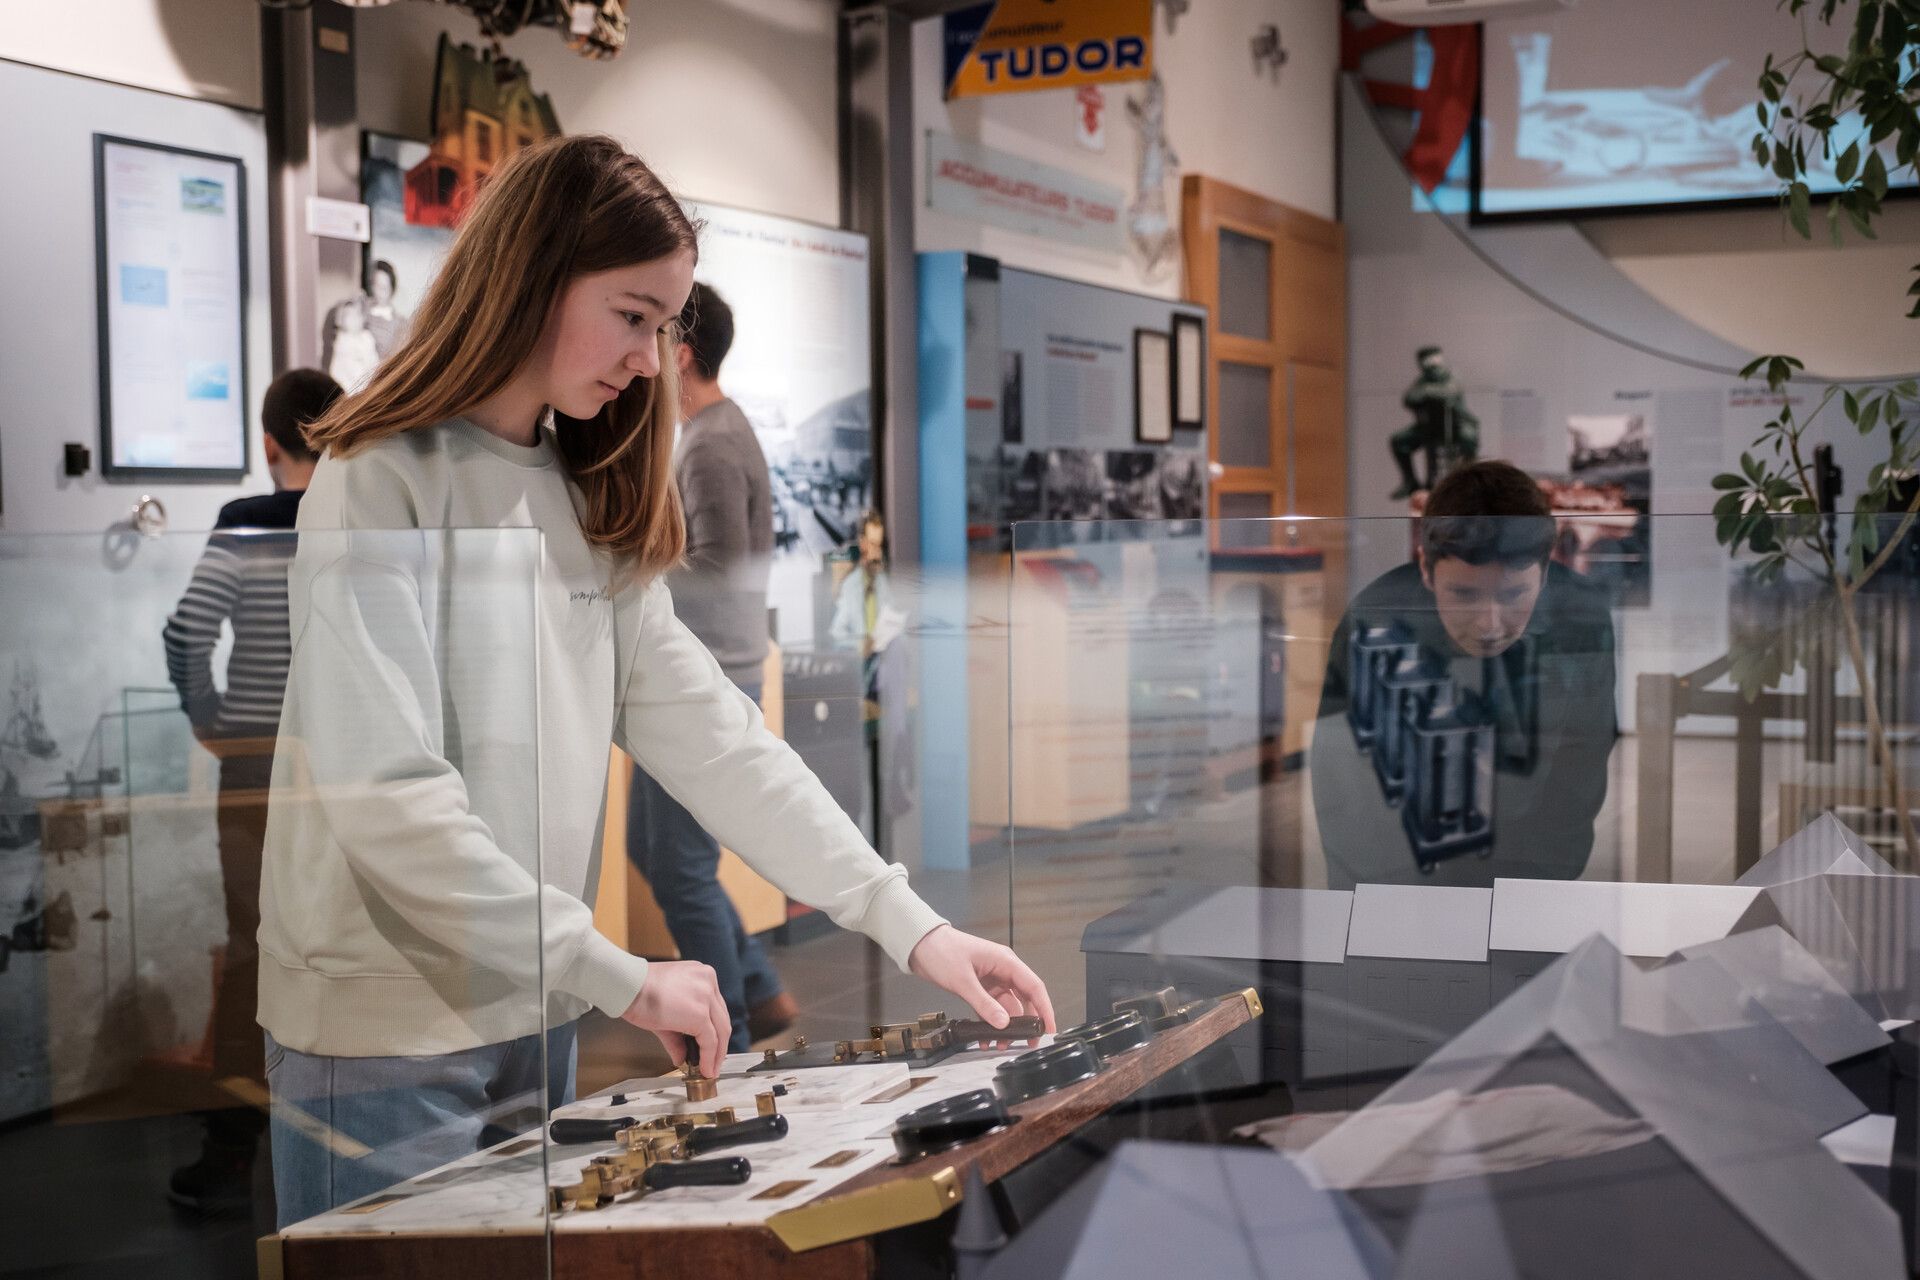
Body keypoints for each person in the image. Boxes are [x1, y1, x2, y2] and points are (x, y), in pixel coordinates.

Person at [258, 135, 1053, 1228]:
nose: (648, 357)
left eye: (664, 325)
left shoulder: (587, 488)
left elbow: (718, 741)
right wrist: (618, 972)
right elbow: (387, 800)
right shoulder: (375, 475)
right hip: (385, 1031)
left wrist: (909, 923)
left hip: (539, 1007)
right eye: (632, 315)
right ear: (532, 273)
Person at [161, 367, 341, 1212]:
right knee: (344, 944)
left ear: (269, 446)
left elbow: (187, 631)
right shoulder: (358, 517)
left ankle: (232, 1149)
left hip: (258, 766)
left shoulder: (243, 527)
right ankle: (348, 1132)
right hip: (349, 767)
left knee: (250, 952)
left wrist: (212, 722)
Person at [1312, 460, 1617, 888]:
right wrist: (1382, 903)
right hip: (1400, 875)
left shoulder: (1581, 616)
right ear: (1425, 568)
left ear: (1545, 572)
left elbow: (1580, 767)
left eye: (1512, 594)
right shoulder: (1375, 620)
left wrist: (1536, 887)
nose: (1489, 625)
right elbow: (1346, 788)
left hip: (1529, 872)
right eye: (1464, 594)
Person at [627, 281, 794, 1052]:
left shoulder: (713, 442)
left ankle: (728, 1028)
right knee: (656, 851)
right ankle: (757, 985)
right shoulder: (714, 434)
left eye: (652, 330)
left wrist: (632, 569)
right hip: (712, 668)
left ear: (681, 352)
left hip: (712, 675)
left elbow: (718, 562)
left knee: (683, 868)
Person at [1390, 345, 1481, 499]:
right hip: (1429, 427)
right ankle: (1410, 481)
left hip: (1455, 424)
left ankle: (1470, 479)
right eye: (1427, 360)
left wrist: (1427, 392)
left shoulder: (1450, 376)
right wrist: (1427, 392)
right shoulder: (1422, 380)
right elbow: (1410, 398)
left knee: (1469, 438)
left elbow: (1450, 392)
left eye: (1434, 358)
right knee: (1399, 441)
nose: (1432, 363)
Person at [364, 259, 410, 358]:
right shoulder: (361, 308)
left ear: (392, 288)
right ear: (371, 285)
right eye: (377, 285)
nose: (380, 292)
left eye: (385, 288)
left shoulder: (401, 323)